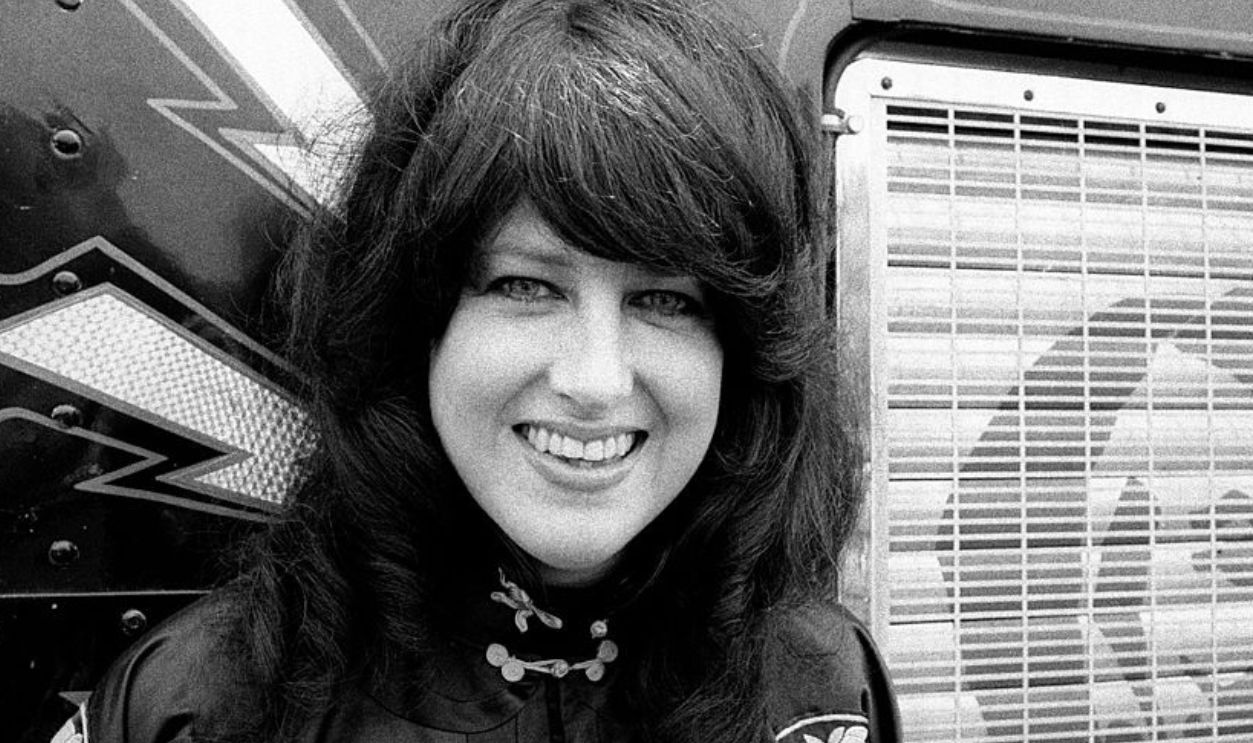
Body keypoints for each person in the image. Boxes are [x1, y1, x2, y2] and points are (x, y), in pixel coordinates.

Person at [67, 0, 901, 741]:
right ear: (417, 328)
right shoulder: (191, 707)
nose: (597, 380)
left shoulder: (824, 691)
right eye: (525, 285)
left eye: (666, 300)